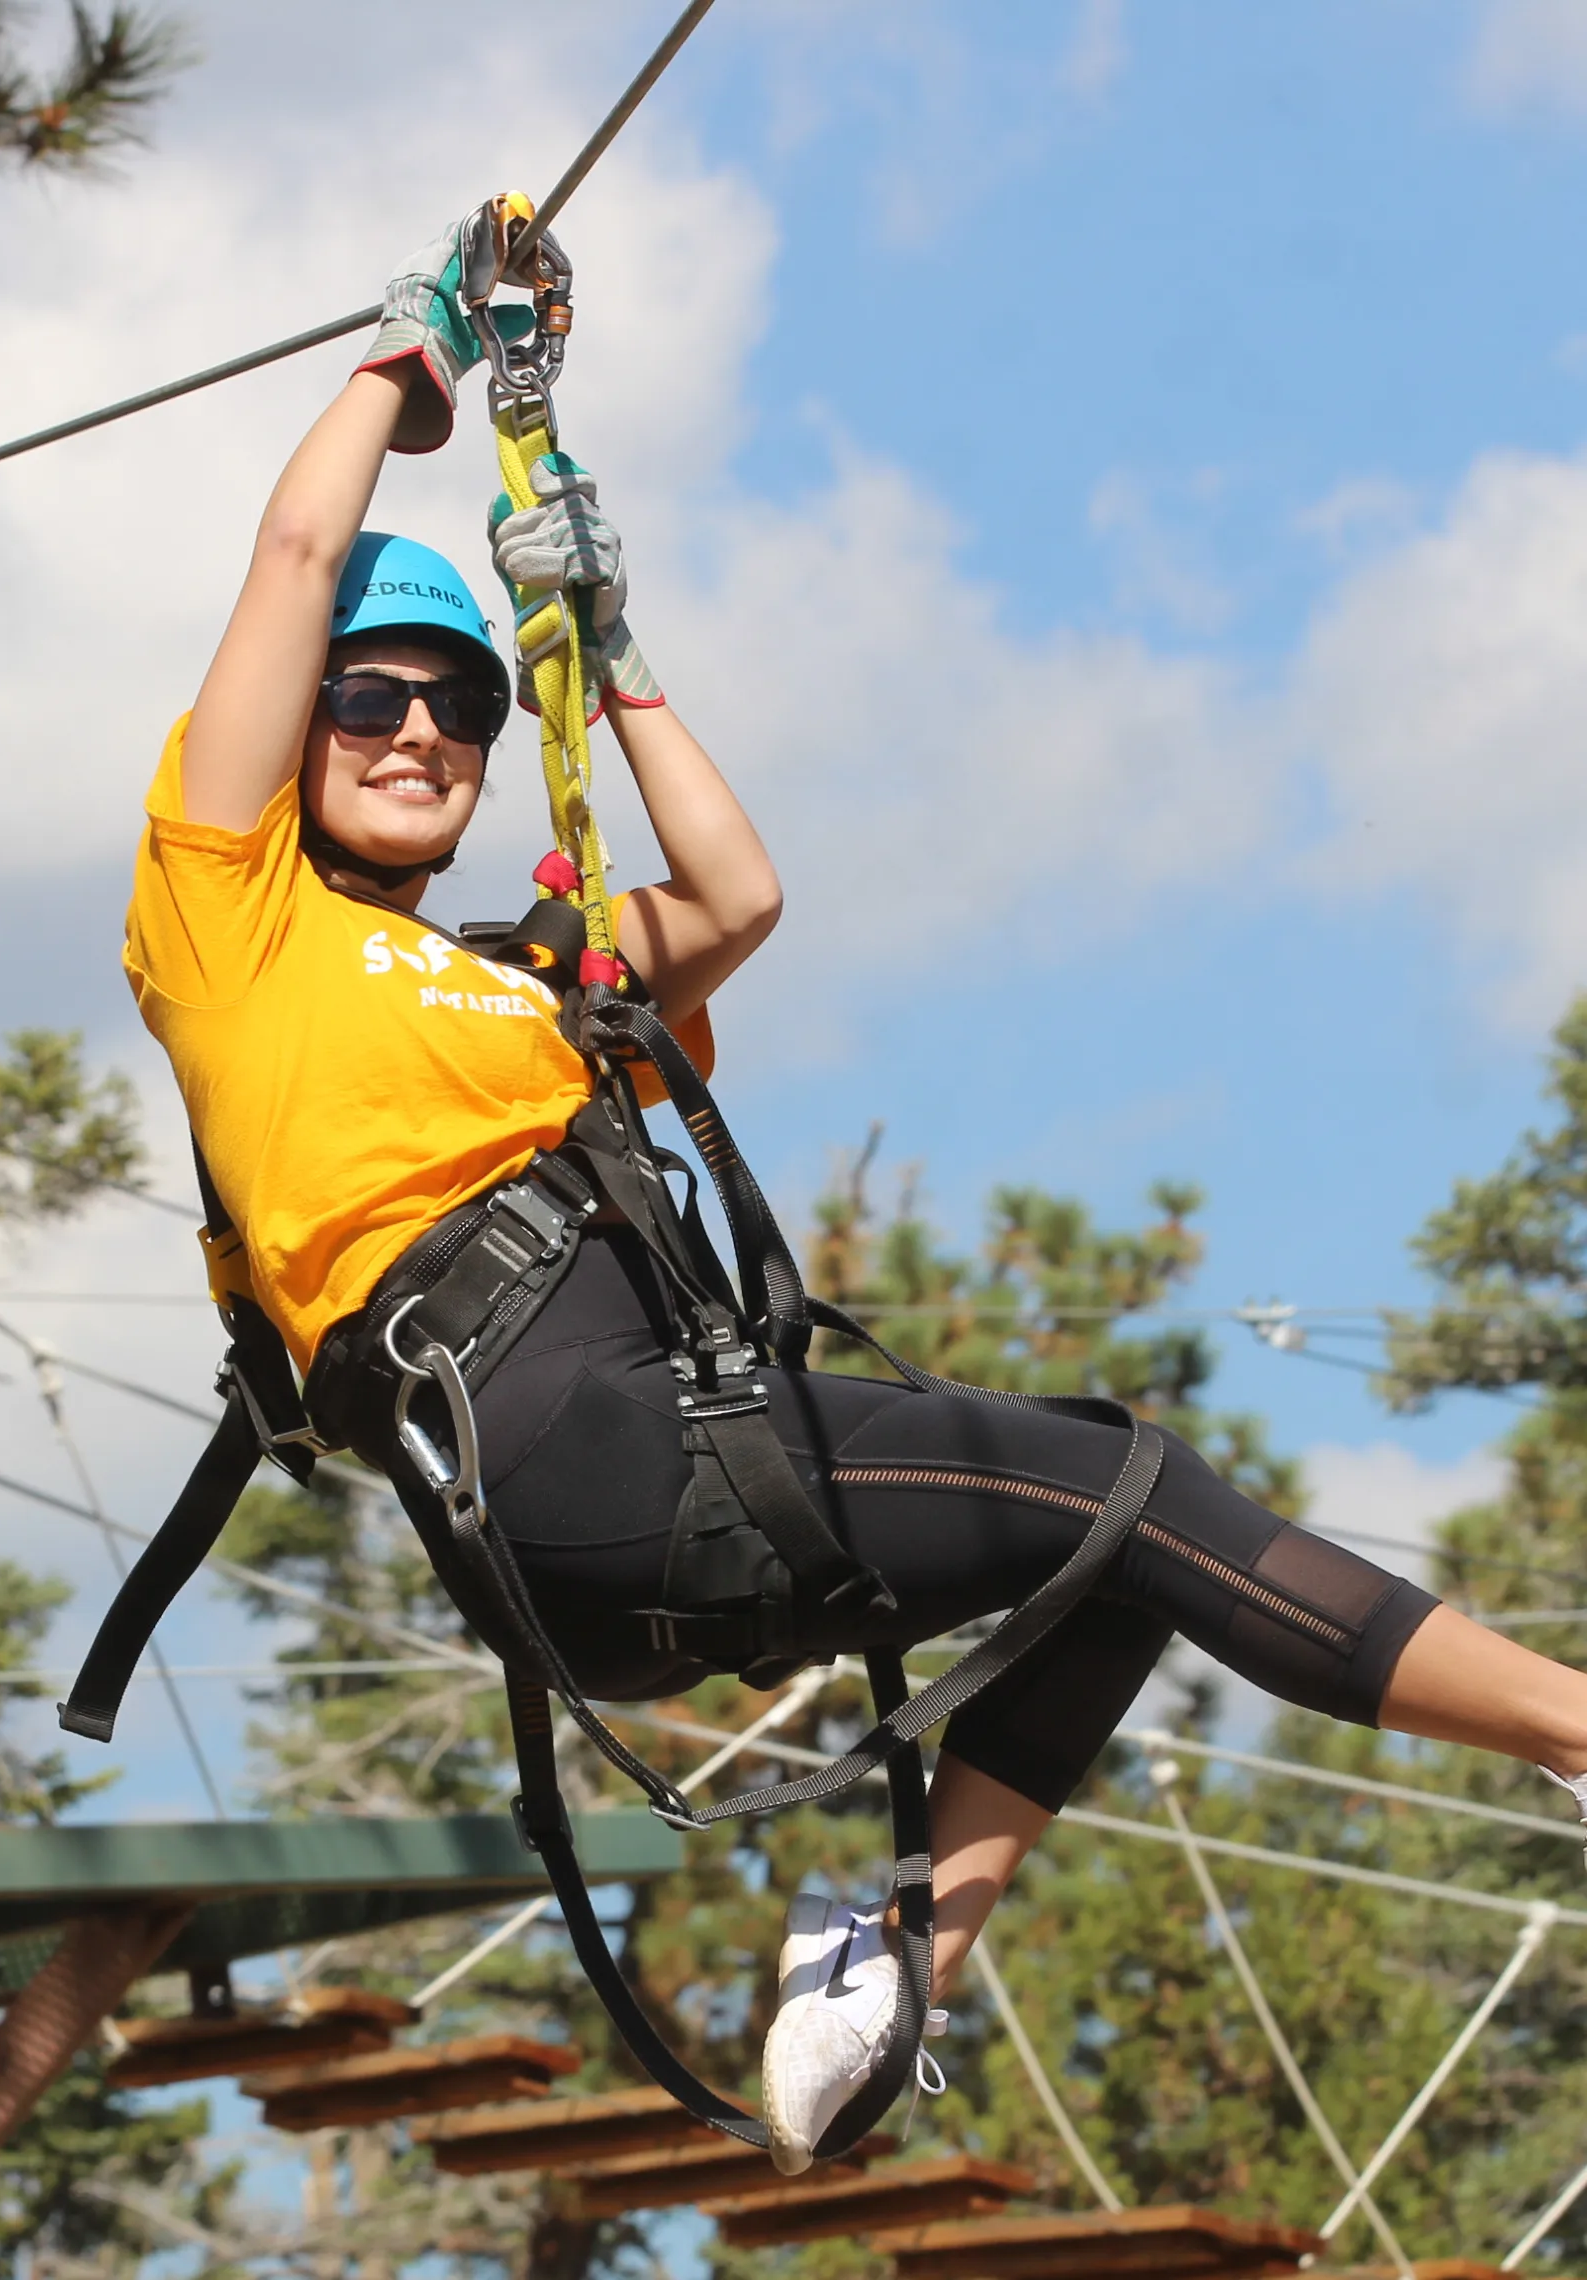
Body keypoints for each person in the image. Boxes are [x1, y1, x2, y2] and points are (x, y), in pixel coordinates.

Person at [124, 205, 1587, 2177]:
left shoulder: (517, 978)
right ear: (289, 725)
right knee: (1132, 1504)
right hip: (560, 1453)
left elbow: (735, 899)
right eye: (371, 700)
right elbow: (297, 558)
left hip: (669, 1445)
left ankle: (893, 1956)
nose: (419, 737)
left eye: (460, 713)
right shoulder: (229, 925)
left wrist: (608, 655)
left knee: (1113, 1527)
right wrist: (421, 361)